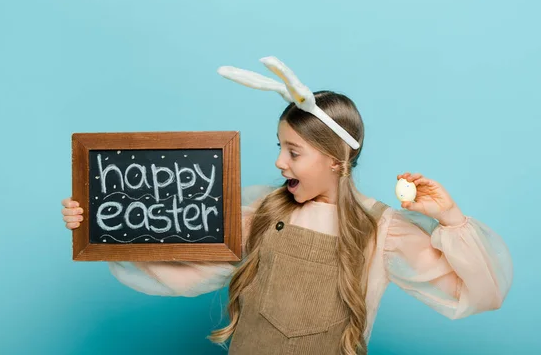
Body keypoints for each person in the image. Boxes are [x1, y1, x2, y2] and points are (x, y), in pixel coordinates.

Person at [60, 57, 513, 355]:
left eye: (294, 151)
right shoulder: (262, 210)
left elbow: (475, 293)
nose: (279, 162)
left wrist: (451, 221)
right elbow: (185, 270)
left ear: (335, 160)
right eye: (279, 146)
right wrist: (104, 227)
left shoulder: (382, 231)